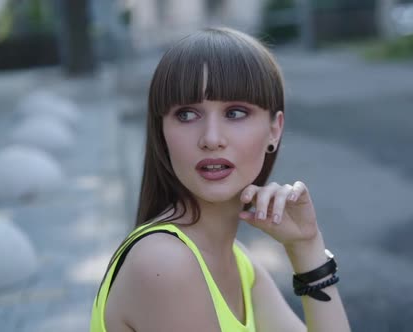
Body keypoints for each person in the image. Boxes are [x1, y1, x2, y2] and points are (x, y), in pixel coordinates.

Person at [90, 27, 351, 332]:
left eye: (235, 113)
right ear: (162, 132)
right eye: (187, 115)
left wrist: (307, 247)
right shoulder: (164, 263)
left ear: (274, 130)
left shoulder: (241, 265)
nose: (211, 139)